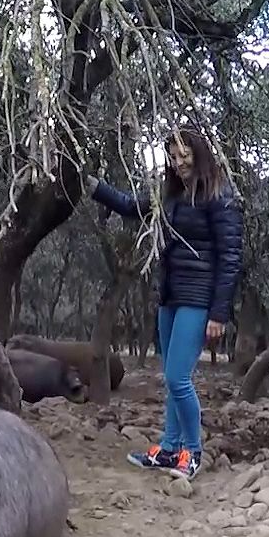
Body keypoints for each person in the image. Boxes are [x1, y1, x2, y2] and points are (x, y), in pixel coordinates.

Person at [88, 127, 244, 480]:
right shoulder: (170, 195)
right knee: (173, 379)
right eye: (173, 157)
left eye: (184, 155)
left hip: (199, 297)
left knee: (177, 378)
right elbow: (131, 207)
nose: (179, 162)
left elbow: (230, 255)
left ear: (199, 153)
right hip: (171, 295)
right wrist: (93, 186)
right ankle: (169, 448)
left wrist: (220, 311)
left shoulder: (219, 194)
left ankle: (192, 451)